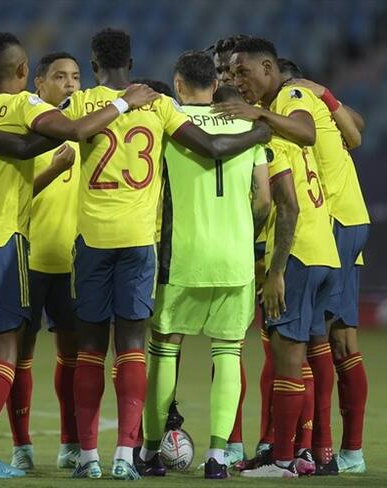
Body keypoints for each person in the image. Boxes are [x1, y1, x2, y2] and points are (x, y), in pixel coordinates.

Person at [0, 27, 271, 480]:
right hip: (139, 242)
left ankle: (87, 457)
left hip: (90, 243)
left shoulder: (78, 105)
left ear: (93, 67)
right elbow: (213, 147)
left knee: (90, 351)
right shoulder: (157, 105)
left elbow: (27, 145)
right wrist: (258, 132)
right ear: (131, 65)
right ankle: (125, 456)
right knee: (134, 348)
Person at [0, 31, 159, 479]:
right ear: (25, 73)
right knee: (6, 348)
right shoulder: (26, 106)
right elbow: (77, 130)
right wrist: (123, 104)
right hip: (3, 241)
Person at [140, 52, 271, 480]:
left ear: (178, 86)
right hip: (235, 258)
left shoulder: (168, 123)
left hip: (183, 256)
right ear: (214, 87)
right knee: (228, 352)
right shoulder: (249, 126)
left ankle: (149, 452)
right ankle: (218, 457)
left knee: (164, 349)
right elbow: (265, 201)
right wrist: (241, 233)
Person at [215, 37, 341, 478]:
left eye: (242, 72)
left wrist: (276, 271)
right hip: (323, 250)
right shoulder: (280, 122)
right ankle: (297, 453)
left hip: (300, 254)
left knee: (287, 357)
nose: (237, 82)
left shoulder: (286, 105)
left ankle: (283, 458)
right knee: (300, 359)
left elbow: (287, 205)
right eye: (230, 75)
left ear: (268, 67)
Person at [278, 58, 371, 474]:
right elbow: (359, 127)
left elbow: (357, 134)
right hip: (347, 222)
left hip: (333, 224)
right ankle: (341, 451)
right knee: (339, 342)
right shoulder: (318, 107)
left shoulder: (294, 102)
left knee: (312, 339)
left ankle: (320, 449)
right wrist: (328, 96)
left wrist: (319, 93)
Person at [9, 52, 83, 471]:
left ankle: (70, 442)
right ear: (39, 83)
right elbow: (14, 198)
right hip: (28, 257)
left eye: (75, 77)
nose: (69, 84)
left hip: (71, 260)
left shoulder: (81, 129)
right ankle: (21, 445)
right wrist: (54, 170)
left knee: (71, 358)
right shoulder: (26, 129)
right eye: (60, 76)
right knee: (19, 354)